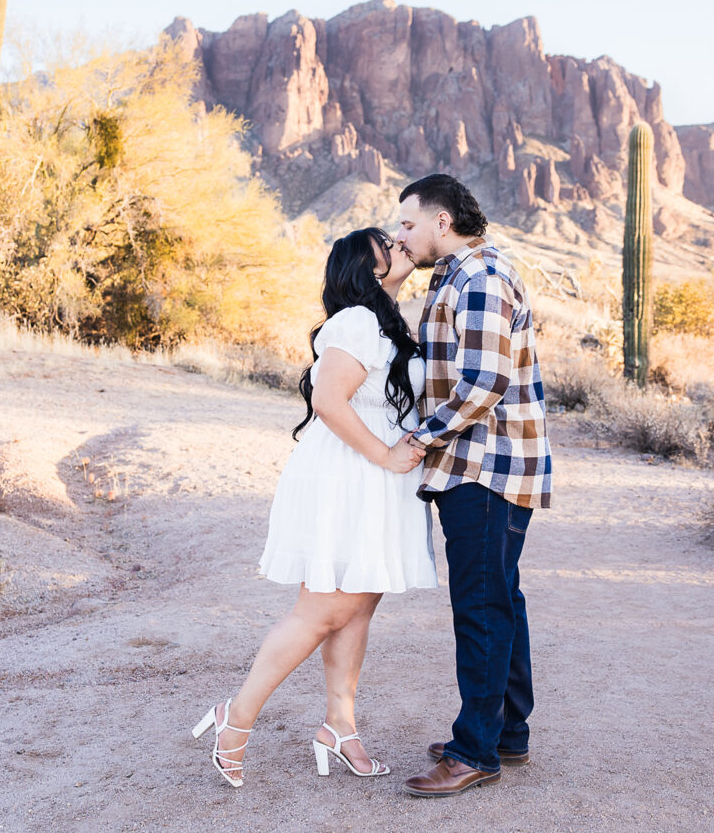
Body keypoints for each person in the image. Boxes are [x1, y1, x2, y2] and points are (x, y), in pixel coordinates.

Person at [192, 227, 438, 788]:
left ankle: (340, 727)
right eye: (389, 244)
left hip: (378, 479)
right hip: (352, 474)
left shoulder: (389, 321)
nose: (401, 244)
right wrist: (385, 454)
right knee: (321, 611)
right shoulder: (355, 319)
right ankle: (236, 717)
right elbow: (328, 400)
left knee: (356, 610)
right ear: (365, 267)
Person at [393, 173, 553, 798]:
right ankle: (505, 733)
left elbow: (483, 384)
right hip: (482, 464)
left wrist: (417, 440)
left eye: (408, 224)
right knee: (500, 598)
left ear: (441, 221)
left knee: (482, 606)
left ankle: (474, 750)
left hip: (482, 466)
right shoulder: (458, 276)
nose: (401, 236)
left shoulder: (481, 278)